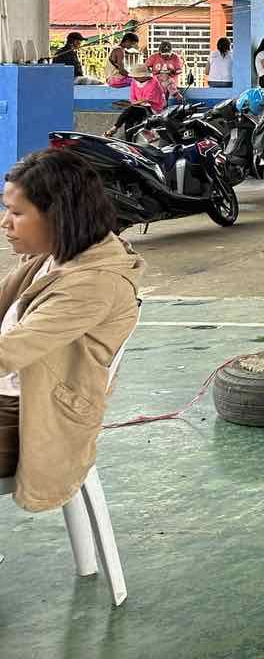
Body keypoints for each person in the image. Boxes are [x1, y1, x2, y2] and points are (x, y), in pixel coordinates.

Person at [0, 148, 144, 514]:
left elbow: (8, 352)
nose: (5, 223)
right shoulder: (53, 257)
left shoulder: (93, 284)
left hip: (29, 417)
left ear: (57, 216)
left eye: (16, 213)